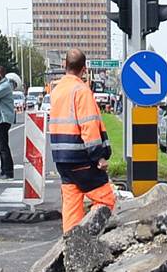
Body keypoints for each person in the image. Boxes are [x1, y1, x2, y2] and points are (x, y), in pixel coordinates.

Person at [48, 47, 116, 232]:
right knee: (105, 200)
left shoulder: (57, 90)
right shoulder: (81, 91)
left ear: (64, 65)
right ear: (84, 69)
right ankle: (89, 240)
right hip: (81, 158)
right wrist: (98, 157)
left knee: (71, 206)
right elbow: (89, 127)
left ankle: (71, 244)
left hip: (62, 159)